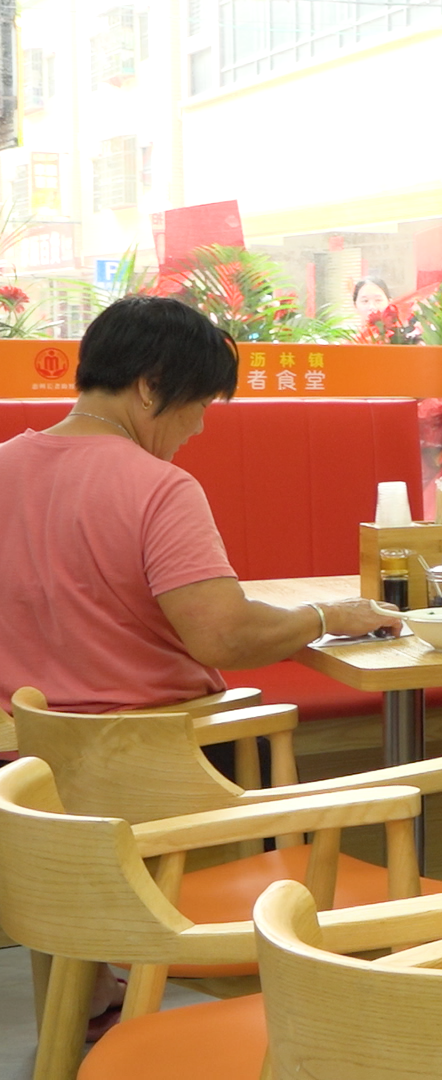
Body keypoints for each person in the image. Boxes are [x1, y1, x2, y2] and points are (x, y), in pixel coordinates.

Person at [0, 293, 402, 1037]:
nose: (201, 426)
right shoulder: (157, 487)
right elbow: (224, 637)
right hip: (159, 772)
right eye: (200, 404)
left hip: (29, 770)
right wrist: (326, 617)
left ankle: (84, 994)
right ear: (151, 386)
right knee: (286, 753)